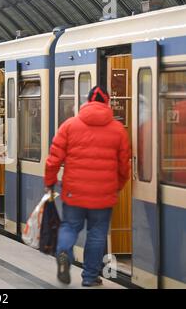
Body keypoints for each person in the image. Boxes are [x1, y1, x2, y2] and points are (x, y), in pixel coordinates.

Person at [44, 86, 131, 287]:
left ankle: (64, 252)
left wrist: (49, 183)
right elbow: (124, 165)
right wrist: (117, 186)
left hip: (74, 191)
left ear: (87, 101)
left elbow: (53, 160)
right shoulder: (118, 130)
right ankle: (90, 277)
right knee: (97, 232)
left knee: (70, 226)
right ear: (107, 103)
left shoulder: (69, 125)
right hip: (104, 193)